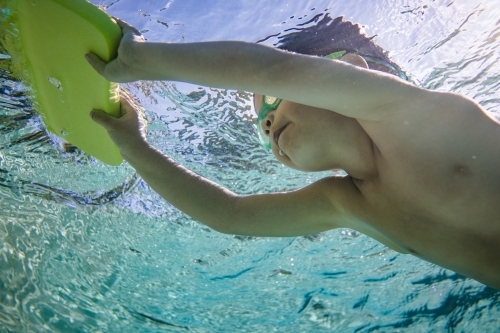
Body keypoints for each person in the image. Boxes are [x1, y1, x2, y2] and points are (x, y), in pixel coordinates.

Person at [84, 16, 500, 289]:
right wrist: (132, 145)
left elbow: (272, 69)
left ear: (350, 66)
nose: (265, 124)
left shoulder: (423, 115)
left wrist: (140, 59)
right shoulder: (347, 202)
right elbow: (229, 214)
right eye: (261, 128)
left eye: (270, 103)